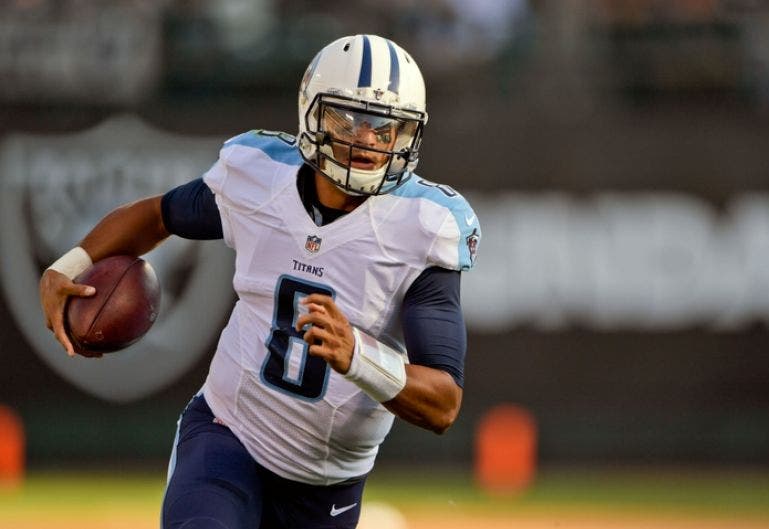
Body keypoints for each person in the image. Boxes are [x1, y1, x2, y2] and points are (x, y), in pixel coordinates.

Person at [38, 34, 481, 529]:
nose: (368, 141)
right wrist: (69, 264)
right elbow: (157, 216)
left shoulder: (423, 226)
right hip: (229, 434)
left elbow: (443, 402)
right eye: (349, 120)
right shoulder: (260, 175)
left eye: (386, 128)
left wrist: (358, 355)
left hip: (326, 483)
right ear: (311, 114)